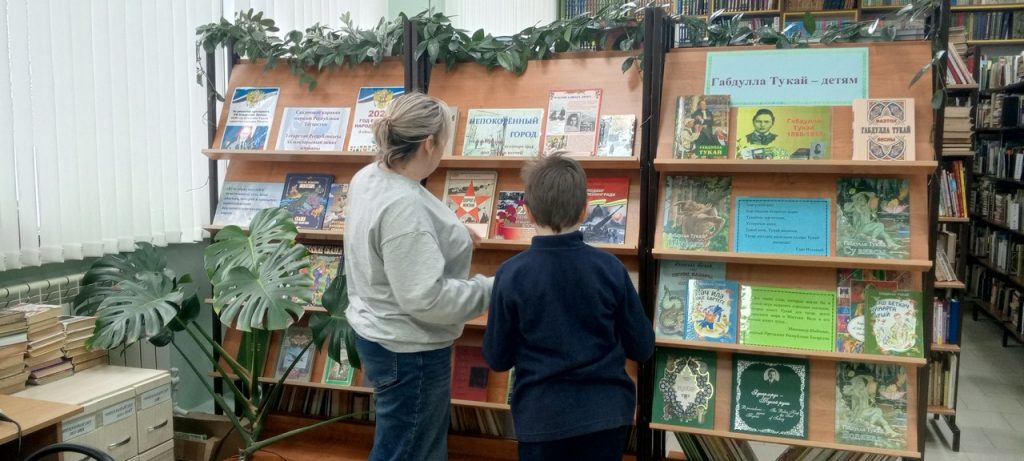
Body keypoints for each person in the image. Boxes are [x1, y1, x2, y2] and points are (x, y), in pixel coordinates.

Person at [344, 92, 493, 461]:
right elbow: (426, 298)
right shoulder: (403, 206)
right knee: (411, 451)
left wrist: (444, 232)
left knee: (403, 444)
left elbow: (395, 241)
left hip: (380, 333)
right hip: (411, 351)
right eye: (445, 140)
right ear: (429, 143)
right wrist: (492, 289)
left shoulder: (370, 176)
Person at [482, 152, 654, 461]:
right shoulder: (610, 268)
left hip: (541, 416)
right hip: (606, 414)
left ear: (527, 212)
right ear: (586, 210)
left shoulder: (511, 274)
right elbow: (642, 347)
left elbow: (497, 357)